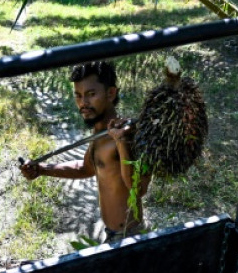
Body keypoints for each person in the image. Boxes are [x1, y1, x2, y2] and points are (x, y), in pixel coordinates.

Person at [20, 61, 151, 242]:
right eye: (78, 96)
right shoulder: (100, 132)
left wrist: (122, 142)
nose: (83, 103)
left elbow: (138, 189)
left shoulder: (128, 134)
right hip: (113, 234)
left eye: (91, 94)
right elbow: (86, 168)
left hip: (130, 237)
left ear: (111, 93)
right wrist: (42, 169)